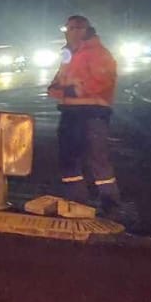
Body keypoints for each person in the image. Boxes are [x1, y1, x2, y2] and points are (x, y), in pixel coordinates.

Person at [49, 14, 122, 217]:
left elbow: (102, 82)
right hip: (70, 112)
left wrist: (69, 90)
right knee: (68, 158)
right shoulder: (68, 53)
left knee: (97, 159)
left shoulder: (98, 53)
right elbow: (56, 84)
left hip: (93, 113)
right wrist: (64, 90)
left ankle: (110, 204)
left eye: (76, 28)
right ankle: (76, 200)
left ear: (85, 30)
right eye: (69, 29)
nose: (71, 32)